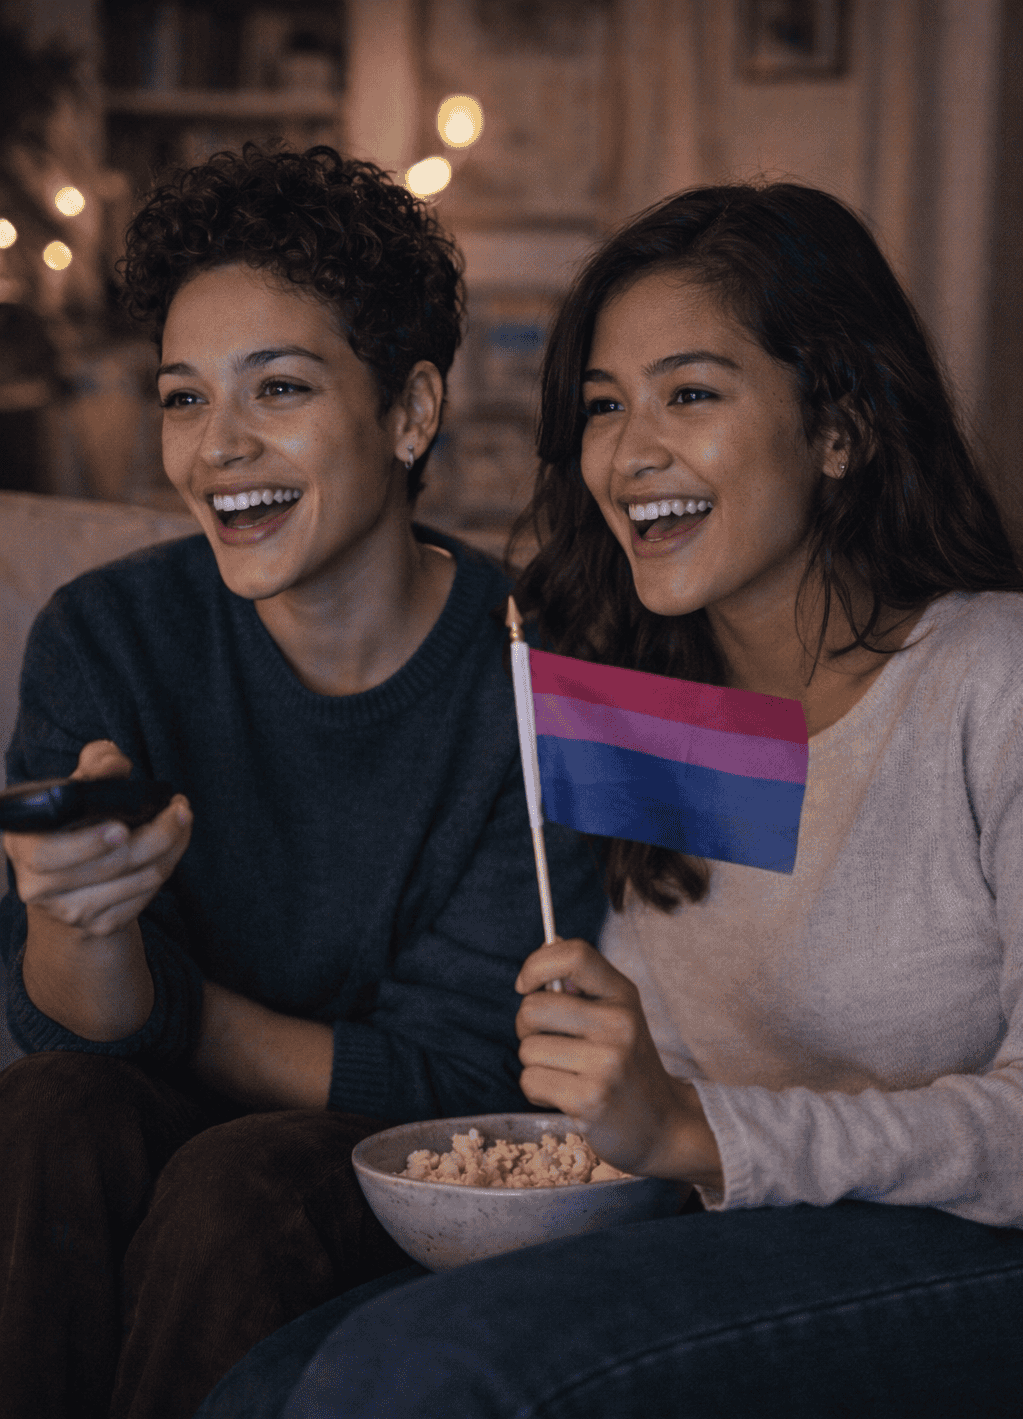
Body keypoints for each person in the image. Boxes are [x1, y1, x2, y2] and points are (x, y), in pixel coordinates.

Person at [197, 181, 1023, 1418]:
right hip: (729, 1235)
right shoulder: (647, 709)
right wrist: (613, 1103)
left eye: (690, 394)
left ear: (839, 427)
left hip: (970, 1254)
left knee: (411, 1374)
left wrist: (697, 1130)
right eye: (601, 406)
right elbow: (664, 1091)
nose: (630, 454)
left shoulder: (988, 675)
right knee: (271, 1382)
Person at [0, 144, 605, 1419]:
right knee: (48, 1113)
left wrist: (176, 1010)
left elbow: (455, 1084)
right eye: (182, 397)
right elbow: (66, 1029)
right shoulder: (107, 636)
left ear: (409, 413)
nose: (220, 448)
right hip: (129, 1119)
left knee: (244, 1181)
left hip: (375, 1171)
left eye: (278, 387)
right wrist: (81, 918)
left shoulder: (534, 675)